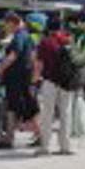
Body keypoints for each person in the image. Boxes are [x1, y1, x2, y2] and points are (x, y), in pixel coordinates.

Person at [0, 11, 38, 149]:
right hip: (24, 78)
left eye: (7, 25)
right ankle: (11, 136)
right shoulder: (27, 36)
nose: (6, 28)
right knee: (25, 107)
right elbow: (33, 57)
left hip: (17, 79)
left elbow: (13, 55)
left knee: (19, 108)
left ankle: (10, 138)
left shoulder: (19, 36)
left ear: (13, 23)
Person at [34, 17, 79, 155]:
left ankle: (45, 147)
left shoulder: (45, 42)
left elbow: (39, 64)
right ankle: (66, 146)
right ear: (61, 28)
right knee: (66, 114)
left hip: (50, 82)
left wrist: (34, 80)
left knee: (47, 114)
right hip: (67, 83)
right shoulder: (69, 41)